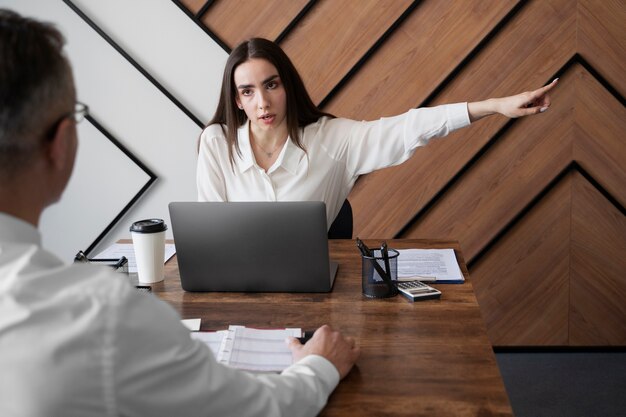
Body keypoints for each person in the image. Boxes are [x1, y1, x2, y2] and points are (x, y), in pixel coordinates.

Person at [0, 9, 359, 417]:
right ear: (61, 142)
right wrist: (319, 365)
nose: (261, 102)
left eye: (270, 86)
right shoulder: (98, 313)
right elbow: (259, 409)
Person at [197, 38, 558, 228]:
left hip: (311, 293)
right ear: (237, 100)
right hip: (238, 293)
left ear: (287, 85)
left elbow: (410, 128)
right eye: (248, 91)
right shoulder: (216, 143)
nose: (263, 102)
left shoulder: (333, 140)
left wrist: (493, 106)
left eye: (271, 85)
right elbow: (212, 235)